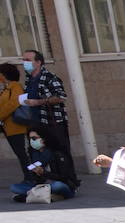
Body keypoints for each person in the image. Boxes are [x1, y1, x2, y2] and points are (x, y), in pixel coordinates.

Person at [20, 49, 76, 189]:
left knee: (59, 152)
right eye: (24, 60)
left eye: (28, 60)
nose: (24, 63)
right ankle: (38, 182)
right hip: (35, 123)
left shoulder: (50, 77)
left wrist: (38, 102)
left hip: (52, 123)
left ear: (38, 62)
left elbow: (61, 96)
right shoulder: (29, 79)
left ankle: (68, 182)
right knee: (35, 152)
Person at [10, 128, 74, 201]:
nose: (31, 141)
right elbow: (34, 179)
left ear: (44, 138)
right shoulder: (33, 153)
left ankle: (33, 196)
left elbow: (64, 177)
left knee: (57, 186)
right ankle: (48, 196)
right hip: (41, 185)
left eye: (34, 138)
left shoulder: (57, 153)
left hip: (57, 183)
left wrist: (44, 173)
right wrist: (35, 173)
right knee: (14, 187)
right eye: (29, 138)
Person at [0, 63, 28, 179]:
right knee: (21, 154)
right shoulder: (7, 88)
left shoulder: (15, 86)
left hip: (16, 126)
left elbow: (13, 103)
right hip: (8, 126)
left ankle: (32, 176)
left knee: (23, 154)